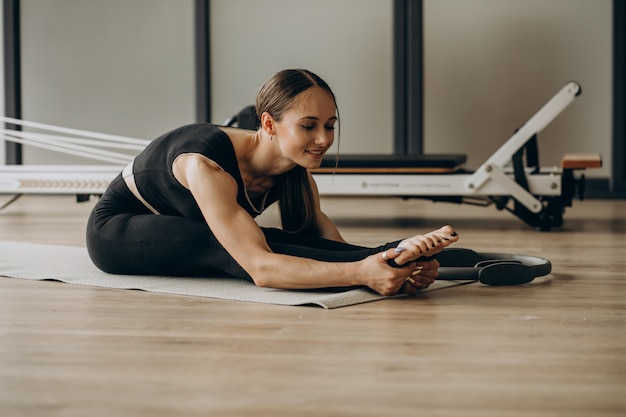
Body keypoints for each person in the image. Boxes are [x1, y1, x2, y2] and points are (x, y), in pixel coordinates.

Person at [86, 69, 459, 296]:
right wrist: (363, 272)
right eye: (308, 126)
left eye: (329, 126)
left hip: (180, 225)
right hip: (116, 231)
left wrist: (394, 261)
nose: (324, 140)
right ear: (268, 124)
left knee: (271, 240)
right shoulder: (205, 164)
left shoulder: (292, 168)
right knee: (226, 247)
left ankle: (401, 253)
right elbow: (261, 269)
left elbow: (329, 245)